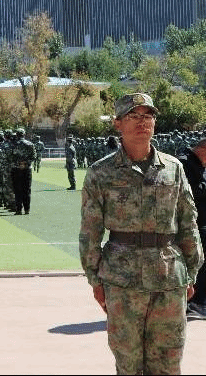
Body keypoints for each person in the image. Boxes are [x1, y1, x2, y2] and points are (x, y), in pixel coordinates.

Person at [79, 93, 203, 374]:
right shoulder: (101, 172)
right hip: (122, 281)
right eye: (133, 116)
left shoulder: (173, 168)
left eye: (147, 116)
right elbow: (90, 231)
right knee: (128, 364)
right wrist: (95, 279)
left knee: (169, 363)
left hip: (169, 279)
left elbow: (188, 222)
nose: (142, 122)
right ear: (118, 124)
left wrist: (191, 272)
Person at [178, 136, 206, 318]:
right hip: (190, 225)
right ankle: (194, 303)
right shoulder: (184, 164)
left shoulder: (199, 165)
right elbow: (187, 195)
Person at [10, 128, 36, 215]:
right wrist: (25, 163)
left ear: (17, 135)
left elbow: (9, 157)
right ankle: (27, 209)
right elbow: (33, 156)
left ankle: (18, 209)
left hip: (16, 169)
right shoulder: (30, 144)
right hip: (27, 169)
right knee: (27, 189)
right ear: (24, 135)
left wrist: (18, 163)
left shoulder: (13, 144)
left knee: (17, 190)